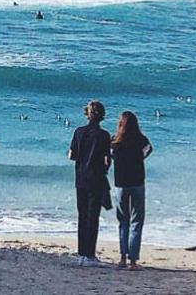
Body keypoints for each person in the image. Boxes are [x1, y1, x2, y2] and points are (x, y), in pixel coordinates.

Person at [65, 99, 111, 264]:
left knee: (82, 215)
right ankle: (90, 255)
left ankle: (81, 254)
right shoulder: (104, 135)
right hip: (96, 179)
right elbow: (107, 160)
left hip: (81, 178)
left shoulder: (79, 132)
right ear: (102, 116)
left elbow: (71, 155)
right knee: (93, 217)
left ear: (87, 114)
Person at [110, 110, 152, 269]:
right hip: (137, 181)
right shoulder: (141, 139)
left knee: (123, 220)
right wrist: (140, 159)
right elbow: (149, 150)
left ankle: (122, 257)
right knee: (137, 220)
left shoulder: (115, 141)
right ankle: (133, 260)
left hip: (120, 182)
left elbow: (110, 155)